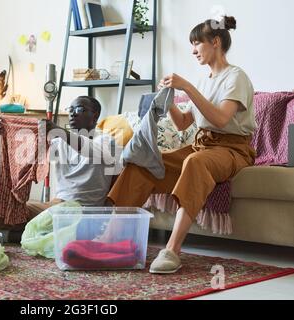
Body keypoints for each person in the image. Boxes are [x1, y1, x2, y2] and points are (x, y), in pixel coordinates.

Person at [107, 16, 256, 274]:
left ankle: (172, 250)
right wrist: (171, 99)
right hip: (201, 146)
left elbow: (221, 119)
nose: (193, 49)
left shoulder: (236, 77)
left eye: (197, 43)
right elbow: (184, 124)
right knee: (143, 162)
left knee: (194, 161)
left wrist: (186, 85)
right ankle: (111, 239)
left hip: (232, 149)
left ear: (216, 42)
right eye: (192, 44)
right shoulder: (204, 81)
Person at [0, 96, 122, 241]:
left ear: (95, 116)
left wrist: (59, 131)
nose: (73, 114)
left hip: (85, 213)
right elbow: (28, 151)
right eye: (70, 110)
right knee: (7, 211)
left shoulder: (106, 141)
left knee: (42, 229)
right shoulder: (60, 142)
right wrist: (7, 131)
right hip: (57, 205)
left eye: (80, 110)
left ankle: (4, 236)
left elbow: (89, 150)